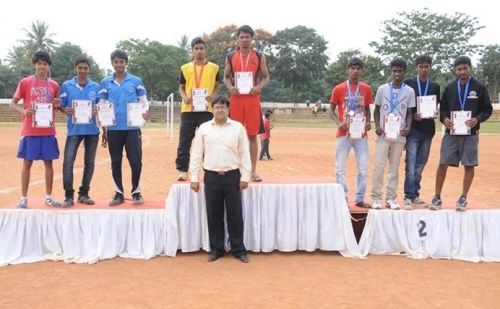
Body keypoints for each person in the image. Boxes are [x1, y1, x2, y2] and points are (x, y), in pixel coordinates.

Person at [189, 95, 251, 263]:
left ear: (228, 109)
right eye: (217, 107)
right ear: (212, 109)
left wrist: (245, 176)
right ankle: (217, 249)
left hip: (232, 176)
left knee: (235, 215)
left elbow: (244, 153)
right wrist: (194, 177)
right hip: (211, 176)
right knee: (214, 214)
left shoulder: (237, 128)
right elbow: (196, 153)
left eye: (223, 107)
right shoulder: (204, 128)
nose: (220, 110)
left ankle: (238, 249)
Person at [430, 56, 492, 211]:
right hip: (451, 132)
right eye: (459, 69)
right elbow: (442, 109)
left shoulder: (479, 87)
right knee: (443, 162)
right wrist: (444, 119)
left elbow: (487, 110)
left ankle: (463, 197)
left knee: (469, 164)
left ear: (470, 68)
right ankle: (437, 197)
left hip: (470, 133)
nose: (462, 71)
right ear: (455, 70)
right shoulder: (450, 88)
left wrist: (477, 119)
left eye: (465, 68)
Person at [9, 50, 62, 209]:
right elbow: (13, 103)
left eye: (45, 64)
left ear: (48, 66)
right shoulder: (25, 82)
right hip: (30, 130)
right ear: (34, 64)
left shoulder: (54, 85)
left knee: (49, 164)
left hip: (48, 131)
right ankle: (23, 198)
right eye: (39, 63)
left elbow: (57, 106)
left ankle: (49, 196)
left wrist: (57, 105)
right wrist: (24, 112)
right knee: (27, 163)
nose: (42, 66)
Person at [98, 49, 149, 206]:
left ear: (126, 63)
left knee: (135, 160)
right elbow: (101, 105)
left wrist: (145, 113)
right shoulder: (105, 82)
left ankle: (136, 192)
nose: (119, 64)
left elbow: (144, 101)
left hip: (132, 128)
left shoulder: (136, 81)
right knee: (115, 162)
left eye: (122, 61)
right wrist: (104, 128)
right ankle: (118, 194)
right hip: (113, 129)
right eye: (116, 61)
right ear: (112, 63)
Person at [223, 25, 270, 182]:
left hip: (252, 98)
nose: (244, 39)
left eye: (247, 37)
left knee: (251, 136)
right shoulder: (230, 56)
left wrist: (258, 87)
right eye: (241, 37)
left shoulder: (259, 55)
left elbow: (266, 78)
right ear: (238, 38)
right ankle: (235, 171)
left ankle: (252, 171)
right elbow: (225, 77)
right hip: (236, 99)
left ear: (251, 38)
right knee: (234, 135)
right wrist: (230, 87)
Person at [371, 58, 415, 210]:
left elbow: (409, 112)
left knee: (394, 168)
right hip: (383, 134)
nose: (397, 73)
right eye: (394, 71)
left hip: (399, 135)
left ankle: (390, 198)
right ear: (391, 72)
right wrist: (377, 125)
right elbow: (376, 110)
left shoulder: (409, 91)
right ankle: (376, 198)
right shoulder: (382, 89)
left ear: (404, 72)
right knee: (379, 166)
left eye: (400, 71)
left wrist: (408, 127)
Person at [329, 57, 373, 208]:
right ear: (348, 70)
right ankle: (342, 197)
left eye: (358, 68)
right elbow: (331, 109)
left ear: (361, 71)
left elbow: (367, 108)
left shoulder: (366, 89)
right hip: (343, 134)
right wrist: (338, 122)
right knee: (340, 168)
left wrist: (368, 122)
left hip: (361, 135)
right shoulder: (339, 88)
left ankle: (360, 198)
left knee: (363, 168)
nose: (355, 71)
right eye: (352, 68)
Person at [59, 55, 102, 208]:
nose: (83, 71)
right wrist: (65, 110)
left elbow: (102, 107)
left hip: (92, 130)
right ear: (75, 69)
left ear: (89, 69)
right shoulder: (66, 85)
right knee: (68, 162)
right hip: (74, 130)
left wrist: (98, 111)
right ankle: (68, 196)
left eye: (85, 68)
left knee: (89, 163)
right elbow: (61, 106)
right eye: (80, 68)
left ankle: (84, 193)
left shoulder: (96, 87)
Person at [175, 37, 220, 181]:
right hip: (188, 110)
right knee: (184, 141)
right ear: (192, 51)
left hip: (206, 110)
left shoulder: (214, 68)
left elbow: (218, 86)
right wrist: (184, 97)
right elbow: (181, 88)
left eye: (202, 48)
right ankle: (182, 170)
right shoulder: (185, 68)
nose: (199, 51)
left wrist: (213, 96)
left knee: (208, 140)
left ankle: (209, 169)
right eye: (196, 48)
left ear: (205, 50)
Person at [403, 55, 441, 210]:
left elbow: (435, 105)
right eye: (421, 66)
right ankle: (408, 196)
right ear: (416, 67)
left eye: (426, 66)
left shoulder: (435, 86)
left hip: (428, 130)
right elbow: (405, 107)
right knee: (410, 164)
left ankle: (415, 195)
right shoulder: (409, 84)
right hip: (413, 129)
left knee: (420, 164)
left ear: (430, 67)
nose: (424, 69)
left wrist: (434, 113)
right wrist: (413, 115)